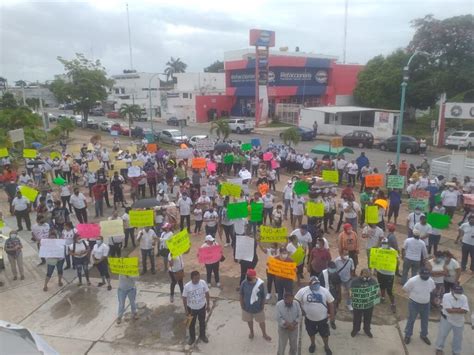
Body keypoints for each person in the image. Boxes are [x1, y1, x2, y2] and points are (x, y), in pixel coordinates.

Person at [295, 276, 335, 355]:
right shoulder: (303, 291)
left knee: (325, 334)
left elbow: (331, 304)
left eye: (317, 283)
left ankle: (326, 346)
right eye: (314, 284)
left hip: (323, 319)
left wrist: (332, 317)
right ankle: (313, 344)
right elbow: (296, 300)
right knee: (311, 333)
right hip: (309, 319)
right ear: (309, 284)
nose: (316, 285)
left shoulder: (324, 291)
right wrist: (301, 310)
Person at [403, 268, 436, 346]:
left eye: (427, 275)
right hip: (414, 304)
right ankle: (408, 335)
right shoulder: (412, 280)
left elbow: (432, 289)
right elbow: (405, 289)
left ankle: (423, 335)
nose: (425, 277)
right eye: (424, 276)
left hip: (426, 304)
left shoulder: (430, 280)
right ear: (419, 274)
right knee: (411, 319)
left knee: (425, 320)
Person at [435, 285, 470, 355]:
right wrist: (460, 309)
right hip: (447, 319)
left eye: (460, 292)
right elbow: (449, 310)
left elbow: (465, 310)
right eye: (457, 292)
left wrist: (453, 309)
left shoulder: (464, 297)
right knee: (442, 334)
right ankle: (439, 348)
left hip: (459, 321)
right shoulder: (446, 296)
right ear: (452, 291)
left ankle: (456, 352)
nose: (458, 294)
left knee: (458, 338)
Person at [240, 268, 272, 341]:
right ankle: (251, 332)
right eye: (248, 276)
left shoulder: (260, 284)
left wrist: (262, 305)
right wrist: (242, 304)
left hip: (258, 308)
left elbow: (263, 296)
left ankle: (264, 334)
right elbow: (241, 294)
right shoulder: (244, 283)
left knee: (261, 321)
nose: (248, 277)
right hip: (247, 307)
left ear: (254, 277)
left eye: (250, 276)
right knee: (249, 320)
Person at [182, 270, 210, 345]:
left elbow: (207, 293)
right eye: (196, 278)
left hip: (202, 307)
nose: (197, 280)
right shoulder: (187, 286)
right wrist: (186, 310)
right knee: (191, 324)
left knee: (202, 322)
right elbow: (184, 298)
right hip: (191, 309)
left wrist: (208, 305)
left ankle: (202, 335)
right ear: (192, 278)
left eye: (198, 278)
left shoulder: (203, 282)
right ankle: (192, 338)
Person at [350, 268, 379, 338]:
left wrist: (375, 300)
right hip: (358, 305)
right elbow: (351, 291)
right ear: (361, 274)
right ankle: (355, 329)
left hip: (369, 305)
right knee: (357, 318)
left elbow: (376, 292)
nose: (367, 277)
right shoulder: (355, 281)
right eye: (365, 275)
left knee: (368, 318)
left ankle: (367, 330)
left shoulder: (373, 281)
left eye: (368, 276)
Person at [276, 291, 301, 355]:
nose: (289, 302)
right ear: (284, 298)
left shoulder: (296, 303)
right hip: (283, 329)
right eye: (287, 300)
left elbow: (299, 315)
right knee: (282, 344)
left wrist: (293, 324)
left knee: (293, 345)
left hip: (294, 328)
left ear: (293, 298)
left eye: (290, 300)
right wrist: (288, 325)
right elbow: (278, 318)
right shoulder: (278, 304)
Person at [376, 238, 397, 313]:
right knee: (381, 286)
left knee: (389, 290)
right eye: (383, 244)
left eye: (385, 243)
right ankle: (382, 297)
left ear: (388, 243)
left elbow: (397, 261)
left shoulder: (393, 251)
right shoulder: (379, 250)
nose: (384, 245)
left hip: (389, 274)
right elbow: (375, 259)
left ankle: (393, 303)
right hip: (380, 272)